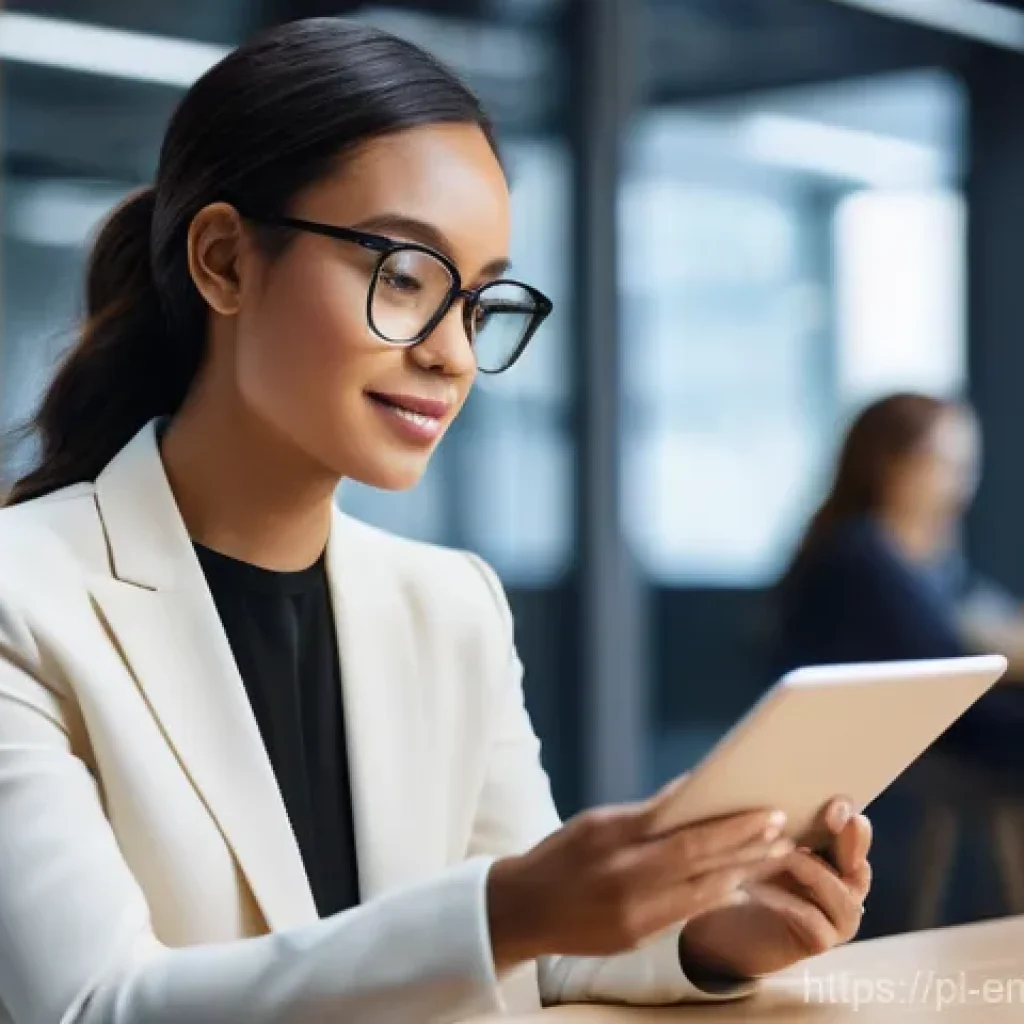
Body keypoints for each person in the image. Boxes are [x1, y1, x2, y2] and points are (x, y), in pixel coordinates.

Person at [0, 19, 871, 1024]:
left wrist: (710, 931)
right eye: (405, 277)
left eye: (480, 301)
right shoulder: (26, 597)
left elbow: (537, 953)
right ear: (226, 261)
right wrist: (508, 912)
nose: (453, 353)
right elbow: (93, 1004)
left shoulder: (452, 605)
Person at [772, 392, 1024, 767]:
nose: (960, 485)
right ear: (890, 464)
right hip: (896, 742)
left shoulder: (930, 555)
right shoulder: (859, 555)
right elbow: (945, 660)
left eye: (966, 468)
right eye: (944, 465)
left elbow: (987, 615)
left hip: (937, 724)